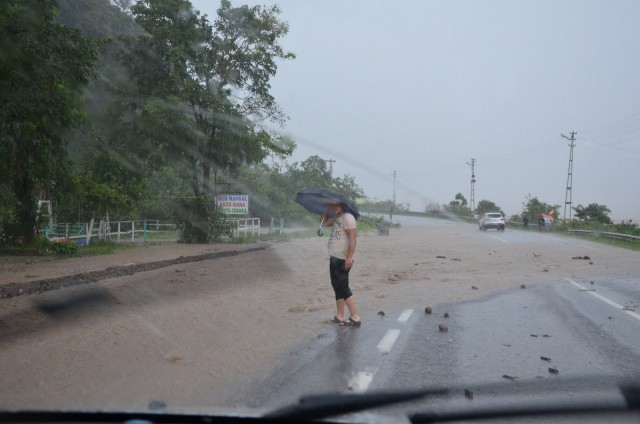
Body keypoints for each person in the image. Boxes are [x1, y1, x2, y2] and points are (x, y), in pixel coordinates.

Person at [322, 202, 361, 326]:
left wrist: (349, 257)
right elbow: (323, 224)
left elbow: (353, 238)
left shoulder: (348, 217)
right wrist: (326, 209)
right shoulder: (335, 218)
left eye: (337, 205)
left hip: (343, 258)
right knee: (336, 286)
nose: (335, 207)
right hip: (334, 257)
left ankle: (355, 317)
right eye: (333, 206)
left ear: (343, 205)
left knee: (343, 287)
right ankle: (340, 316)